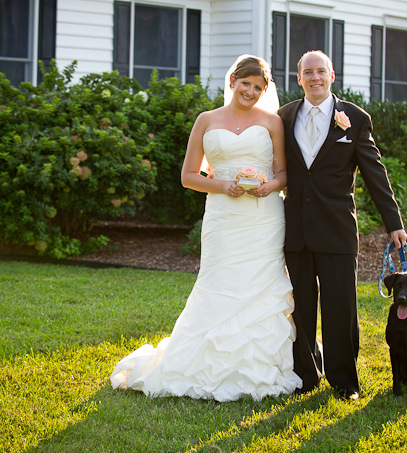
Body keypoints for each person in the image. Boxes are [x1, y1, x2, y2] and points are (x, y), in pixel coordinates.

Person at [110, 55, 302, 401]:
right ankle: (198, 360)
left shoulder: (272, 122)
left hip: (264, 218)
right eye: (246, 84)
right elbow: (188, 177)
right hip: (223, 216)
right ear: (232, 82)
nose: (252, 91)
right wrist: (222, 186)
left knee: (260, 285)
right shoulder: (206, 120)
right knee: (218, 282)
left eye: (259, 87)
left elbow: (286, 173)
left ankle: (258, 366)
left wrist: (269, 186)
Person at [278, 51, 407, 400]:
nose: (314, 77)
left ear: (332, 76)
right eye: (308, 72)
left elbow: (374, 173)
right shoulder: (284, 116)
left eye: (321, 71)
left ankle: (344, 381)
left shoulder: (355, 117)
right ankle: (305, 374)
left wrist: (393, 223)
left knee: (340, 307)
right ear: (299, 77)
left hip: (336, 228)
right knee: (300, 305)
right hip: (296, 229)